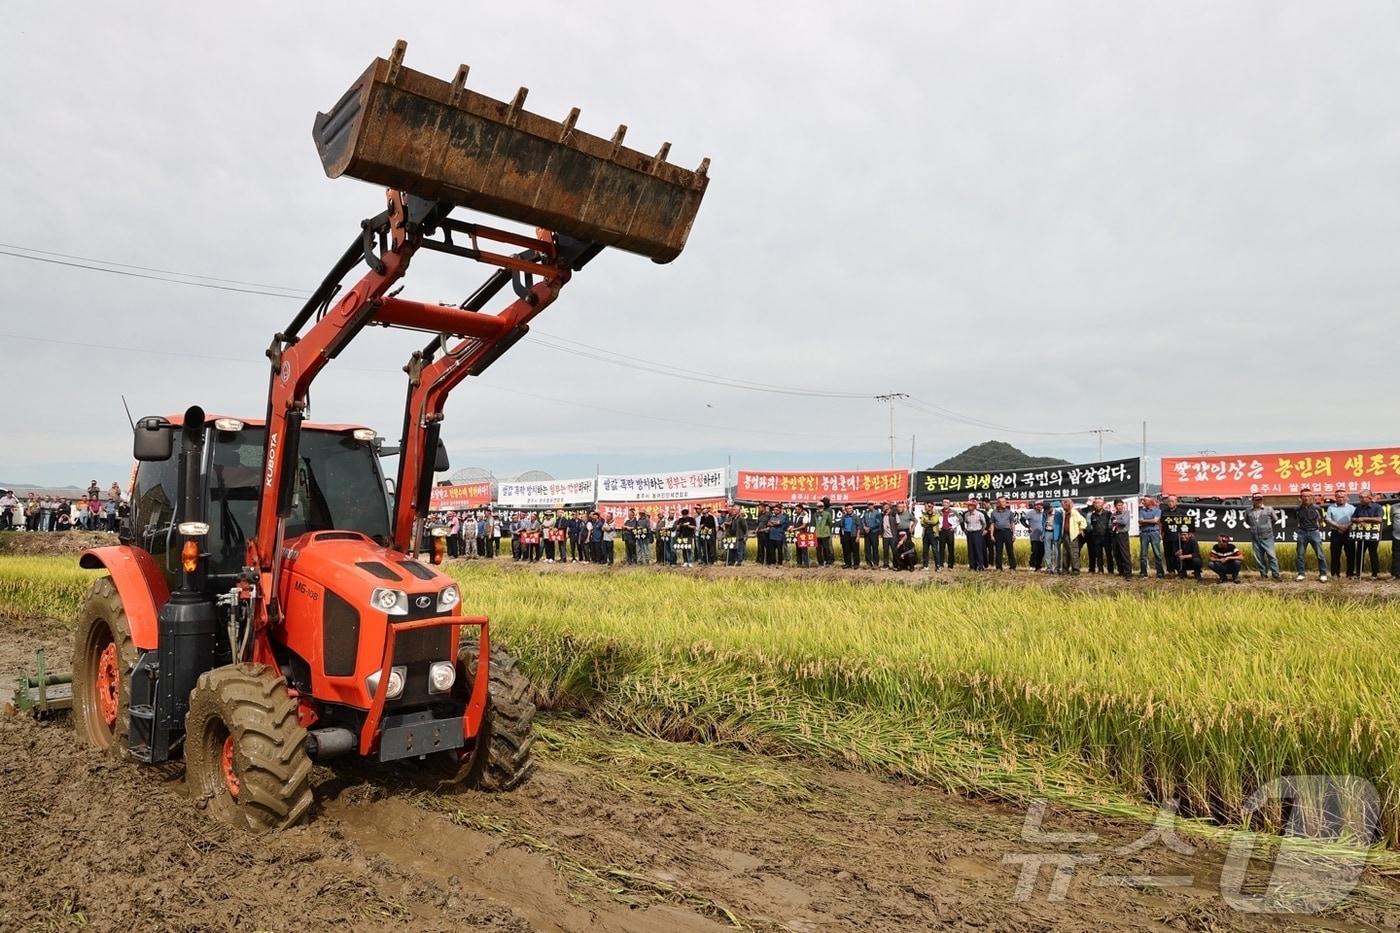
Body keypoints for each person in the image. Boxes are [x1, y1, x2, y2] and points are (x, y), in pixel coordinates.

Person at [1244, 494, 1281, 580]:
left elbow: (1275, 519)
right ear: (1253, 500)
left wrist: (1267, 527)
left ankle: (1276, 574)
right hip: (1255, 537)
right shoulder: (1248, 510)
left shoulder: (1269, 509)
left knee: (1272, 556)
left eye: (1260, 499)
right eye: (1257, 500)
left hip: (1267, 537)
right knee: (1259, 558)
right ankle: (1263, 574)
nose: (1259, 501)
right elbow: (1247, 521)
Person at [1293, 488, 1327, 581]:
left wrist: (1316, 529)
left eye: (1309, 496)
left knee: (1320, 554)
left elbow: (1321, 520)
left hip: (1314, 532)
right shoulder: (1297, 509)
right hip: (1302, 533)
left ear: (1312, 497)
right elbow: (1296, 520)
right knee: (1300, 555)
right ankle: (1301, 574)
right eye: (1304, 496)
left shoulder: (1317, 508)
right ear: (1300, 497)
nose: (1306, 498)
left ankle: (1323, 574)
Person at [1324, 490, 1356, 579]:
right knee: (1335, 554)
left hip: (1348, 532)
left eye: (1343, 497)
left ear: (1346, 498)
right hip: (1335, 533)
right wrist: (1339, 527)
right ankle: (1335, 574)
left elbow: (1354, 519)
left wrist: (1345, 527)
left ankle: (1350, 573)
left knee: (1350, 554)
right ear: (1335, 498)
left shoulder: (1352, 508)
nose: (1341, 499)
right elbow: (1328, 519)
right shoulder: (1331, 507)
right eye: (1338, 497)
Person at [1352, 492, 1383, 578]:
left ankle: (1375, 574)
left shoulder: (1377, 507)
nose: (1360, 499)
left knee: (1373, 553)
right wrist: (1359, 520)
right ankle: (1358, 573)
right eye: (1359, 498)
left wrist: (1364, 518)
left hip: (1372, 534)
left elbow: (1379, 519)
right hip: (1361, 534)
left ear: (1369, 498)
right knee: (1359, 553)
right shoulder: (1358, 507)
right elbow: (1353, 518)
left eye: (1362, 497)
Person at [1137, 497, 1165, 578]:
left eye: (1144, 500)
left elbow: (1155, 521)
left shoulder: (1157, 510)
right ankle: (1143, 572)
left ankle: (1160, 572)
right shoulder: (1141, 511)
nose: (1143, 502)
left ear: (1150, 501)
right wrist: (1151, 520)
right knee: (1143, 554)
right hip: (1144, 533)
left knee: (1157, 553)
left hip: (1154, 533)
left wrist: (1144, 521)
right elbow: (1140, 521)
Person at [1160, 495, 1188, 575]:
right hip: (1167, 536)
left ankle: (1181, 570)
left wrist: (1184, 536)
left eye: (1172, 501)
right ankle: (1170, 570)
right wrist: (1161, 534)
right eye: (1169, 501)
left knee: (1177, 554)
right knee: (1167, 554)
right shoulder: (1164, 511)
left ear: (1176, 502)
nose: (1170, 503)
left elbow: (1186, 524)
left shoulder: (1181, 512)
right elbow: (1162, 524)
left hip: (1178, 537)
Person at [989, 497, 1018, 571]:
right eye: (1002, 502)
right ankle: (999, 567)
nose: (1004, 503)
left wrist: (1014, 534)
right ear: (998, 503)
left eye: (1005, 502)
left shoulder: (1009, 512)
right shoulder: (994, 513)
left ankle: (1012, 567)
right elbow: (992, 524)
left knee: (1010, 550)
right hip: (998, 533)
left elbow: (1012, 524)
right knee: (998, 550)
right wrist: (991, 535)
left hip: (1008, 532)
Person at [1059, 498, 1086, 574]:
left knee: (1073, 553)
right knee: (1065, 553)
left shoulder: (1074, 512)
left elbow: (1083, 521)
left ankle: (1075, 570)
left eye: (1064, 505)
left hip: (1073, 536)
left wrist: (1081, 529)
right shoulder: (1064, 513)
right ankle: (1065, 570)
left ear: (1068, 505)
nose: (1063, 507)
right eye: (1062, 505)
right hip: (1065, 535)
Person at [1086, 498, 1112, 573]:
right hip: (1096, 537)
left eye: (1099, 503)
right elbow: (1090, 526)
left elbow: (1111, 525)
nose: (1098, 505)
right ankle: (1100, 570)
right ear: (1094, 504)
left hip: (1106, 536)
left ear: (1103, 504)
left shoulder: (1108, 513)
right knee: (1098, 554)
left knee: (1108, 553)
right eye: (1096, 503)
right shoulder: (1092, 515)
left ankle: (1110, 570)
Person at [961, 499, 989, 571]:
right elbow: (962, 521)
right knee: (971, 550)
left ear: (974, 506)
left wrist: (983, 530)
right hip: (969, 533)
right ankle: (972, 566)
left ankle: (980, 565)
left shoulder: (980, 514)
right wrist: (964, 529)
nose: (968, 507)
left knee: (978, 549)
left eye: (970, 505)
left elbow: (984, 524)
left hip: (977, 533)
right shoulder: (966, 514)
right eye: (968, 505)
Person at [1110, 500, 1133, 579]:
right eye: (1118, 505)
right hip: (1114, 535)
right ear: (1115, 506)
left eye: (1121, 505)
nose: (1120, 507)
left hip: (1123, 535)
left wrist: (1116, 521)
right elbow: (1110, 524)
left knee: (1124, 553)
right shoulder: (1113, 514)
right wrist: (1113, 523)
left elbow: (1124, 522)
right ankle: (1121, 571)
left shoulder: (1126, 513)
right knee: (1116, 553)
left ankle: (1128, 573)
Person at [1021, 502, 1046, 571]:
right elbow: (1022, 519)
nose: (1040, 507)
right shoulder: (1030, 513)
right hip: (1034, 536)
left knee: (1041, 552)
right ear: (1035, 506)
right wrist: (1028, 526)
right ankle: (1032, 565)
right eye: (1038, 505)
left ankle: (1038, 566)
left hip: (1042, 536)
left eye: (1041, 505)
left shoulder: (1044, 513)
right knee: (1034, 551)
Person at [937, 499, 957, 570]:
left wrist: (953, 527)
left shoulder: (953, 512)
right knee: (941, 548)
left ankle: (950, 565)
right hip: (942, 531)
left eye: (947, 502)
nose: (945, 504)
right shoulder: (939, 512)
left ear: (949, 504)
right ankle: (940, 564)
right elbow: (936, 520)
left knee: (951, 548)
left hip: (949, 531)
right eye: (944, 502)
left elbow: (960, 520)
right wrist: (938, 527)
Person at [919, 502, 939, 570]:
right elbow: (922, 523)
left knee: (935, 550)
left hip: (933, 534)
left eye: (929, 506)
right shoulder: (924, 514)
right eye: (927, 506)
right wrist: (928, 522)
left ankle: (938, 566)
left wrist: (926, 521)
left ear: (932, 506)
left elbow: (934, 521)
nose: (928, 508)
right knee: (925, 551)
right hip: (925, 534)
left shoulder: (936, 513)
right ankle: (925, 566)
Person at [814, 501, 834, 567]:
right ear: (817, 507)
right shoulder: (815, 514)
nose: (820, 508)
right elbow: (814, 523)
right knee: (818, 550)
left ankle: (828, 562)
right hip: (817, 534)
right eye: (819, 506)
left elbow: (830, 523)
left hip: (825, 534)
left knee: (826, 549)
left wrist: (826, 529)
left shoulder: (827, 514)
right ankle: (820, 563)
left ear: (823, 507)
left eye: (821, 506)